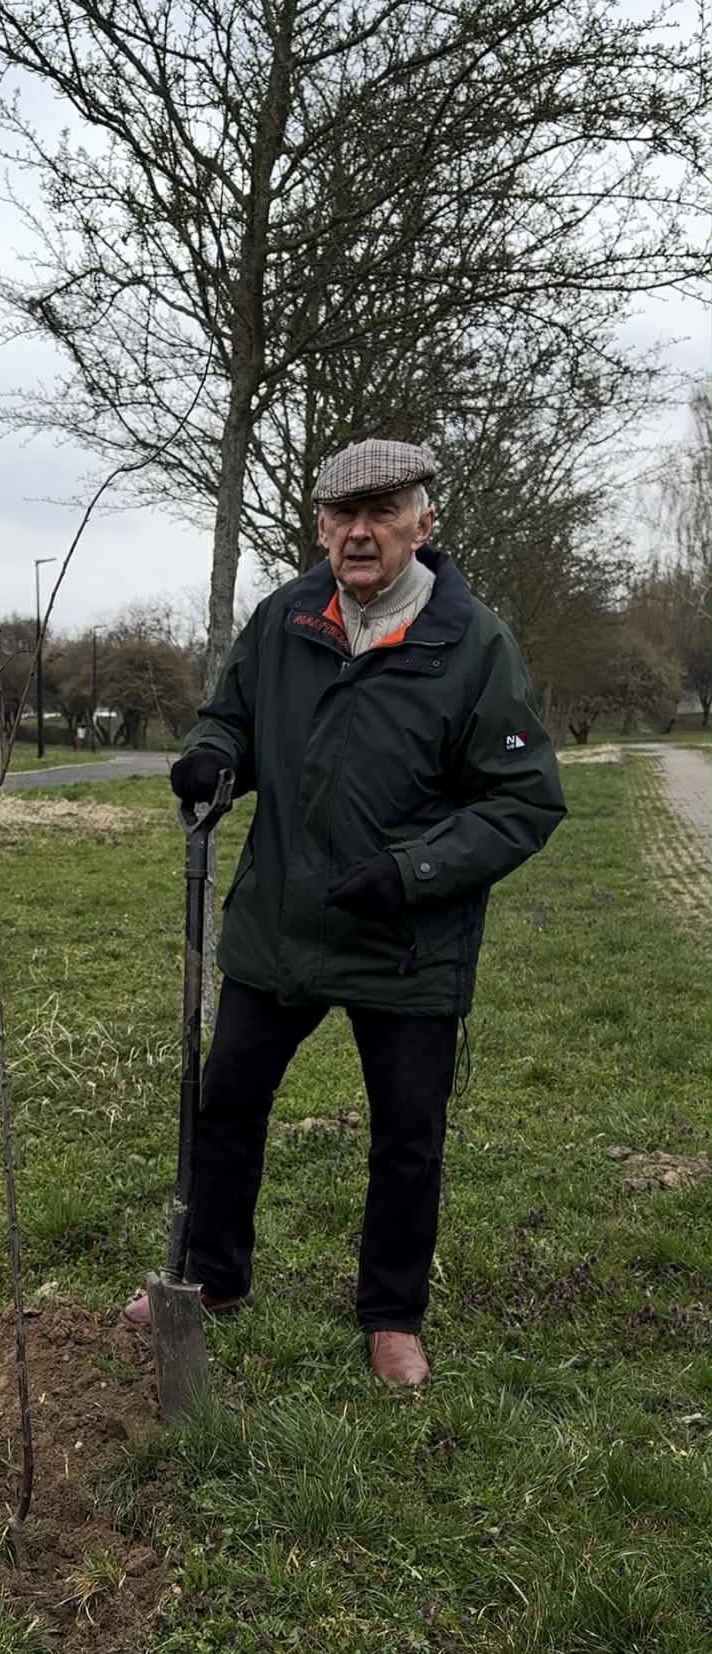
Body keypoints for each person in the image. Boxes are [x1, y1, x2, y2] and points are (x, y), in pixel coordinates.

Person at [125, 438, 566, 1385]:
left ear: (423, 520)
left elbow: (524, 800)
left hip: (407, 938)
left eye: (383, 511)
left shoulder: (473, 640)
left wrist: (414, 872)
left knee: (407, 1133)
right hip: (281, 922)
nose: (360, 532)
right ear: (321, 525)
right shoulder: (284, 616)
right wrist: (214, 758)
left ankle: (393, 1317)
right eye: (342, 515)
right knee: (228, 1102)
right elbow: (230, 716)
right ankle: (213, 1273)